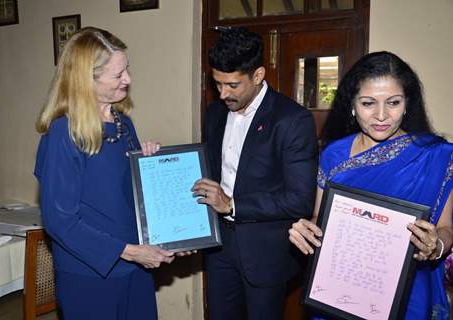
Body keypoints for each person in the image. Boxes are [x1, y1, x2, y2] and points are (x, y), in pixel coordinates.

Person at [289, 51, 453, 319]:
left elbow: (446, 229)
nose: (381, 116)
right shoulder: (334, 154)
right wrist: (308, 231)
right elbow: (321, 216)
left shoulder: (436, 156)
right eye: (368, 103)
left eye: (393, 103)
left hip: (407, 290)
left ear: (407, 103)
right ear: (352, 104)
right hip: (341, 284)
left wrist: (435, 247)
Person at [34, 27, 178, 319]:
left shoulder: (124, 124)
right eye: (117, 75)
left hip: (135, 266)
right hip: (89, 274)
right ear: (87, 80)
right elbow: (60, 222)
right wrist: (130, 251)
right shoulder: (63, 133)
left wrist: (149, 167)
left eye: (127, 69)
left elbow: (130, 199)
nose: (128, 79)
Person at [192, 27, 318, 320]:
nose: (223, 93)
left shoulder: (292, 120)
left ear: (258, 75)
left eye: (233, 85)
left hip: (266, 253)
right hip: (219, 248)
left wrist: (233, 206)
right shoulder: (215, 113)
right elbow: (208, 174)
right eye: (217, 83)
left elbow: (299, 200)